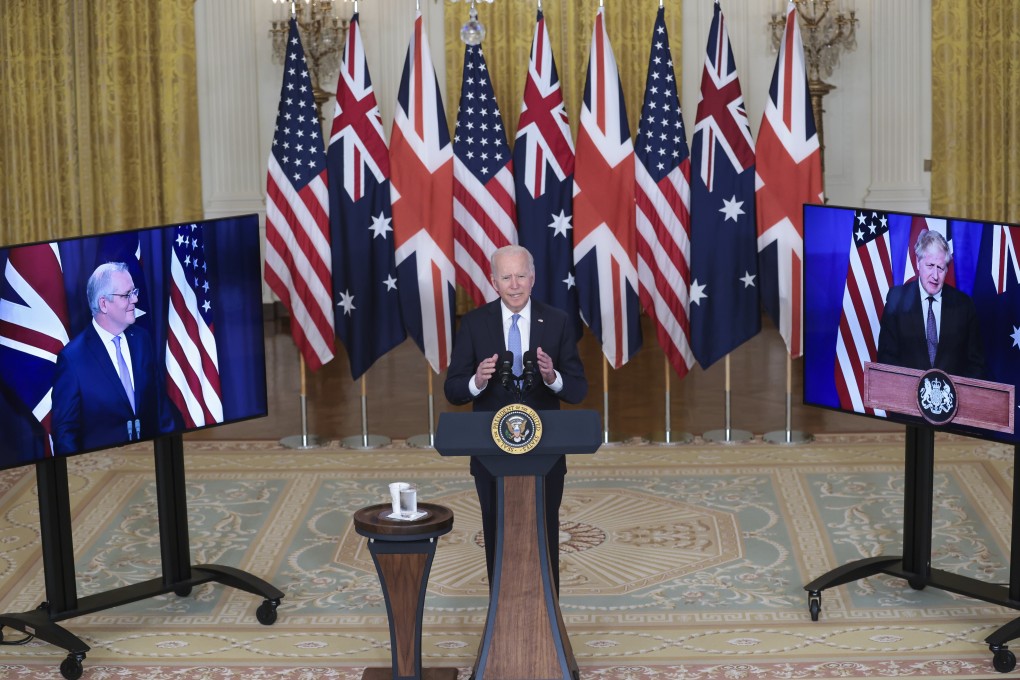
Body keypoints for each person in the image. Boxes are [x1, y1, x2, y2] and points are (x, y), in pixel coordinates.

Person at [444, 245, 588, 593]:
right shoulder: (475, 324)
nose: (514, 284)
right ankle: (500, 606)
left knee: (544, 531)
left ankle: (547, 609)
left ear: (533, 278)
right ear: (493, 282)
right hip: (490, 453)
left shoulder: (557, 321)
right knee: (497, 532)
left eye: (521, 275)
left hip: (546, 452)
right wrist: (477, 381)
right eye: (506, 277)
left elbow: (578, 389)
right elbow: (453, 389)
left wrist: (553, 377)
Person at [52, 262, 175, 455]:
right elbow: (65, 435)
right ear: (103, 304)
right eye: (127, 295)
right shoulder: (73, 359)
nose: (135, 299)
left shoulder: (142, 339)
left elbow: (161, 409)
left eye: (134, 292)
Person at [876, 230, 985, 379]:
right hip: (905, 391)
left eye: (940, 268)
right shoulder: (897, 300)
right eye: (930, 265)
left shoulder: (964, 305)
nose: (935, 276)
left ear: (947, 269)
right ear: (918, 263)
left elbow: (976, 365)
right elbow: (886, 360)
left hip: (953, 393)